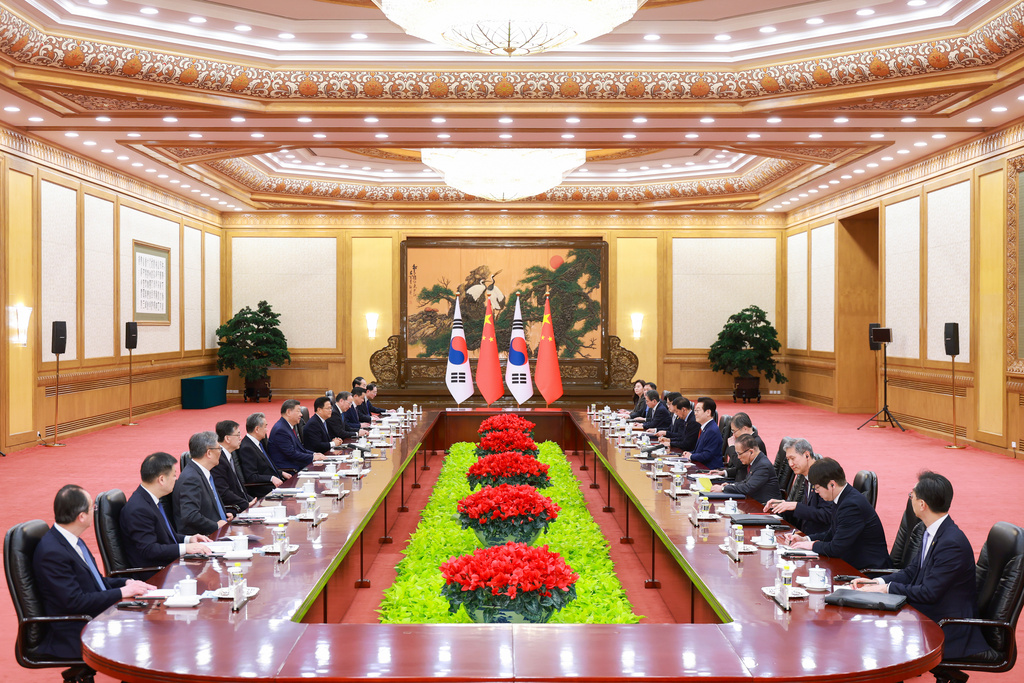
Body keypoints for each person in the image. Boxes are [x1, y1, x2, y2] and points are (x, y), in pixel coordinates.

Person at [852, 471, 990, 660]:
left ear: (922, 504)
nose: (910, 499)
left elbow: (929, 593)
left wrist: (886, 589)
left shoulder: (951, 543)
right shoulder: (931, 531)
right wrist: (876, 582)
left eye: (912, 496)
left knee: (876, 635)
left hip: (947, 626)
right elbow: (912, 572)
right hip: (928, 612)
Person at [33, 485, 155, 679]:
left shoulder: (71, 540)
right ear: (81, 516)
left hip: (93, 615)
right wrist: (122, 593)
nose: (94, 511)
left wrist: (127, 583)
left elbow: (96, 582)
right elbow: (74, 602)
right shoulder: (52, 552)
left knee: (151, 623)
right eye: (92, 508)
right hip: (74, 629)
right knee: (146, 638)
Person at [120, 452, 212, 578]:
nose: (176, 479)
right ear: (162, 479)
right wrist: (186, 548)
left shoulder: (151, 499)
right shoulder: (139, 509)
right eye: (174, 475)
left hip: (169, 566)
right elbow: (149, 550)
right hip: (156, 574)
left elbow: (165, 537)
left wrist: (189, 539)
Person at [788, 457, 891, 570]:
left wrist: (811, 545)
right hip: (851, 562)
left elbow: (836, 548)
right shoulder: (843, 497)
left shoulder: (851, 505)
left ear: (832, 484)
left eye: (817, 488)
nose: (816, 492)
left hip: (867, 570)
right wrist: (806, 539)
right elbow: (832, 533)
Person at [763, 438, 834, 536]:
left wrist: (796, 506)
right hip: (803, 535)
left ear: (807, 455)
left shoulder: (823, 477)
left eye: (793, 458)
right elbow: (810, 507)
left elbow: (827, 515)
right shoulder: (806, 476)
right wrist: (785, 505)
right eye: (788, 459)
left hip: (820, 540)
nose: (790, 464)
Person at [173, 431, 233, 535]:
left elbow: (205, 505)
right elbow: (190, 515)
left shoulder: (201, 472)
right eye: (219, 449)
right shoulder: (191, 478)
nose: (221, 452)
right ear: (209, 453)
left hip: (218, 530)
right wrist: (215, 525)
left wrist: (222, 514)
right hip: (203, 537)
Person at [712, 433, 780, 504]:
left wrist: (723, 488)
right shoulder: (756, 461)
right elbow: (746, 482)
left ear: (751, 452)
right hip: (754, 503)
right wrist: (731, 485)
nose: (738, 457)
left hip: (764, 507)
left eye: (739, 454)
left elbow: (748, 488)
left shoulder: (763, 465)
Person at [236, 413, 285, 498]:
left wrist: (281, 473)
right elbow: (251, 476)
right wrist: (271, 478)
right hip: (264, 491)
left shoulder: (259, 442)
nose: (266, 430)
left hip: (276, 484)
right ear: (257, 429)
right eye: (265, 426)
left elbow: (265, 467)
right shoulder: (247, 448)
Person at [267, 399, 325, 471]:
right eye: (298, 411)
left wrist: (314, 454)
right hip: (289, 469)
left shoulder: (288, 427)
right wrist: (313, 457)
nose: (301, 414)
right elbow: (292, 453)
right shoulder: (281, 430)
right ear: (288, 412)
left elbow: (300, 449)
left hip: (295, 464)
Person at [212, 419, 255, 514]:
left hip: (241, 503)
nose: (240, 438)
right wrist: (246, 504)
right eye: (238, 435)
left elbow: (238, 487)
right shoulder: (218, 460)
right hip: (232, 509)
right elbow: (223, 492)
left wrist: (252, 501)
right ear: (227, 438)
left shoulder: (229, 455)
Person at [722, 413, 766, 478]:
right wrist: (724, 472)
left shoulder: (755, 443)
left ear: (745, 429)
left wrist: (731, 447)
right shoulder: (746, 441)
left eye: (734, 431)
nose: (733, 435)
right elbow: (742, 469)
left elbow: (739, 464)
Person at [683, 397, 723, 469]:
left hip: (709, 469)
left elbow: (707, 455)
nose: (695, 414)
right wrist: (690, 453)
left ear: (708, 412)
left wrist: (690, 456)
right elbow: (700, 451)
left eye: (697, 411)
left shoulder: (712, 430)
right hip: (701, 466)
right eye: (695, 411)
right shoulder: (705, 427)